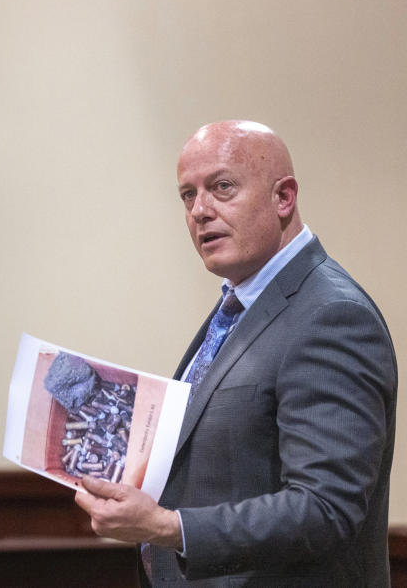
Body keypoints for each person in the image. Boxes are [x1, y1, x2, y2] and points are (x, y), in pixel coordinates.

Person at [74, 120, 397, 586]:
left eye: (222, 187)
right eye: (188, 195)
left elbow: (326, 509)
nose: (200, 210)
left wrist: (169, 527)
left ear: (283, 198)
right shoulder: (241, 302)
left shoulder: (332, 315)